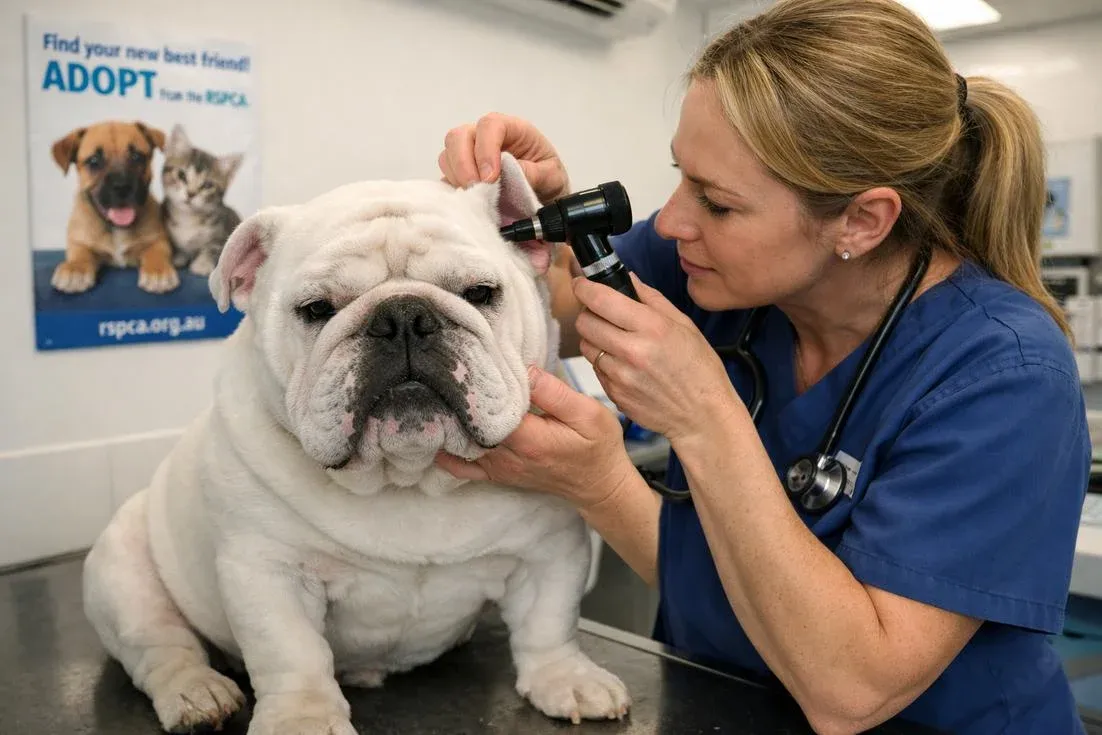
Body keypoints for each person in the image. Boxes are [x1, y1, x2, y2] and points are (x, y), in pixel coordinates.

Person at [435, 0, 1091, 732]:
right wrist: (529, 216)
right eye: (682, 175)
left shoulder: (1006, 373)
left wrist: (686, 428)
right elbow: (552, 309)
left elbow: (852, 690)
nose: (672, 220)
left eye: (716, 202)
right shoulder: (706, 268)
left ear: (862, 220)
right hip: (723, 705)